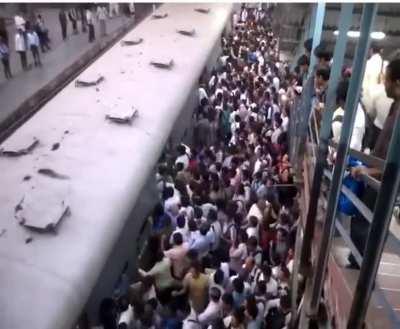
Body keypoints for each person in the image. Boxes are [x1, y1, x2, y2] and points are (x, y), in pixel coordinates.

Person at [348, 58, 400, 268]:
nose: (383, 84)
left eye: (386, 80)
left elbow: (394, 157)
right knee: (365, 217)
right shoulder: (394, 107)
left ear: (397, 83)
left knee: (364, 217)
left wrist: (369, 169)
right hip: (377, 172)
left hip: (384, 177)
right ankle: (359, 260)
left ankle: (361, 265)